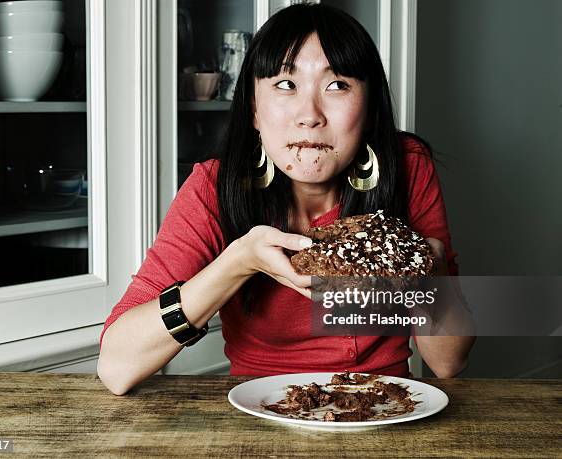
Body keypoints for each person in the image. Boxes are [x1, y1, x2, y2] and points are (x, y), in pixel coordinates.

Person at [98, 3, 475, 395]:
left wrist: (428, 269)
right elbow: (116, 366)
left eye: (337, 85)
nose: (309, 115)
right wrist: (238, 262)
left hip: (385, 407)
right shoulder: (214, 186)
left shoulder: (407, 167)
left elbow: (449, 362)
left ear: (369, 109)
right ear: (254, 110)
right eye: (285, 84)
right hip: (263, 413)